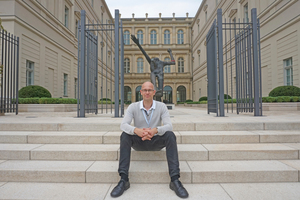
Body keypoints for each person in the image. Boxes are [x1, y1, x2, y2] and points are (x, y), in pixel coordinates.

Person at [110, 81, 189, 198]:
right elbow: (123, 125)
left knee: (170, 135)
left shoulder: (161, 106)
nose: (147, 92)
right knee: (125, 135)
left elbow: (169, 126)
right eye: (145, 90)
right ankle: (123, 180)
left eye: (149, 90)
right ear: (141, 92)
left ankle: (175, 180)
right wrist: (137, 131)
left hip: (155, 140)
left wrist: (155, 130)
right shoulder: (133, 107)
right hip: (139, 141)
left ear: (154, 92)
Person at [131, 35, 175, 101]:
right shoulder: (155, 62)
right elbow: (144, 53)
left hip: (159, 74)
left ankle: (158, 92)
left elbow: (173, 62)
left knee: (159, 87)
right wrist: (138, 44)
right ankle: (156, 91)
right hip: (155, 74)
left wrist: (170, 53)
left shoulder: (159, 62)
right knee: (155, 83)